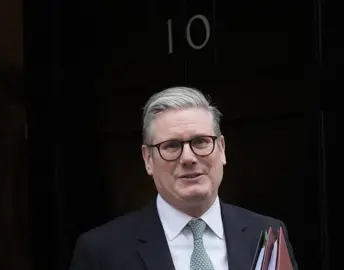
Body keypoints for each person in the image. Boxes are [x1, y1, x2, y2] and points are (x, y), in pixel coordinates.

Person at [69, 87, 298, 270]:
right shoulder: (102, 251)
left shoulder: (268, 234)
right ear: (148, 159)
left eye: (200, 142)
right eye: (171, 146)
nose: (188, 158)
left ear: (222, 149)